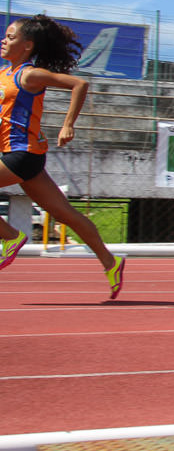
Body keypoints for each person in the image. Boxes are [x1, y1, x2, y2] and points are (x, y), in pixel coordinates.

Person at [0, 15, 124, 299]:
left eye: (10, 37)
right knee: (65, 214)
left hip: (22, 155)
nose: (3, 41)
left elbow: (79, 84)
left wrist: (68, 124)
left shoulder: (29, 75)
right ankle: (111, 262)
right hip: (21, 155)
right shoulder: (4, 74)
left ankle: (10, 236)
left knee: (64, 214)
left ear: (28, 45)